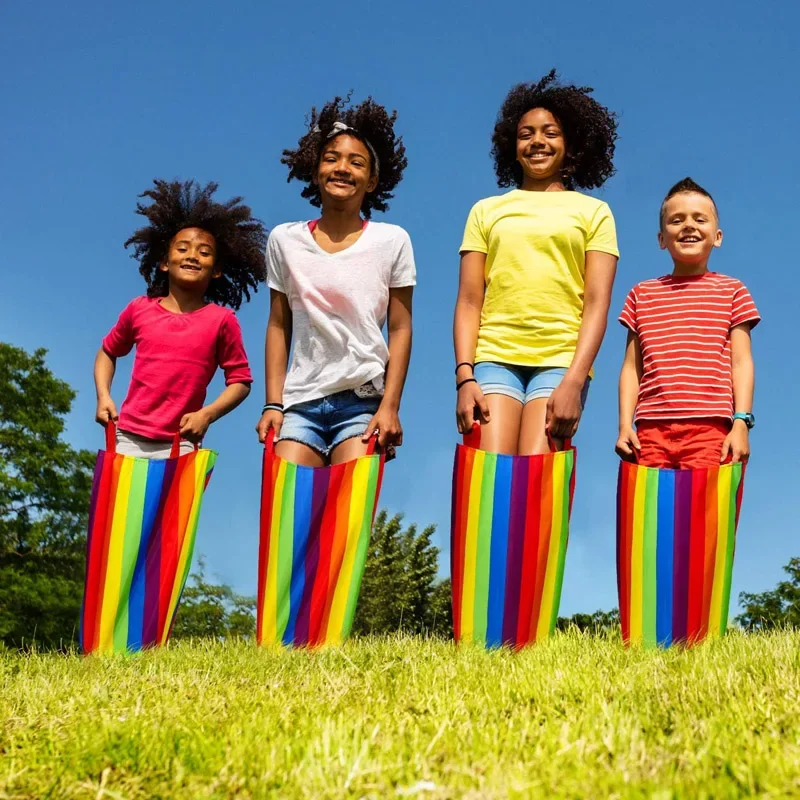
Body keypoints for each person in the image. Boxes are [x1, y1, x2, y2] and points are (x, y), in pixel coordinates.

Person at [454, 70, 619, 454]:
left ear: (570, 145)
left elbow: (597, 303)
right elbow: (468, 300)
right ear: (512, 147)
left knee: (537, 483)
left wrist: (575, 381)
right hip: (494, 357)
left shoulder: (595, 213)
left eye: (550, 132)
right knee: (489, 478)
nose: (537, 141)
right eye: (526, 134)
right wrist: (465, 378)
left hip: (561, 361)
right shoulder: (486, 210)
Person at [256, 95, 415, 465]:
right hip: (299, 404)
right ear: (315, 173)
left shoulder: (393, 241)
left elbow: (401, 329)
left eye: (355, 162)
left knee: (349, 517)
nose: (342, 168)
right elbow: (279, 324)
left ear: (372, 180)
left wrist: (390, 407)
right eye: (331, 159)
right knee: (289, 514)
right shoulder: (284, 239)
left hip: (363, 403)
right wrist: (273, 403)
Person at [95, 179, 267, 457]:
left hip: (182, 444)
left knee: (174, 504)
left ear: (217, 270)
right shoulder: (139, 308)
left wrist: (207, 414)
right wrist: (103, 396)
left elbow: (240, 381)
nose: (193, 256)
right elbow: (107, 351)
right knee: (120, 503)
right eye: (183, 248)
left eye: (204, 252)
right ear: (164, 262)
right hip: (127, 438)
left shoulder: (222, 320)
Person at [616, 177, 760, 468]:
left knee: (707, 512)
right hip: (650, 431)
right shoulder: (641, 294)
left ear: (717, 236)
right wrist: (624, 425)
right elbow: (632, 367)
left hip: (711, 431)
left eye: (699, 219)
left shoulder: (733, 291)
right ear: (661, 239)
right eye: (676, 220)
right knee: (649, 512)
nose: (689, 226)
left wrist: (741, 422)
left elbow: (741, 362)